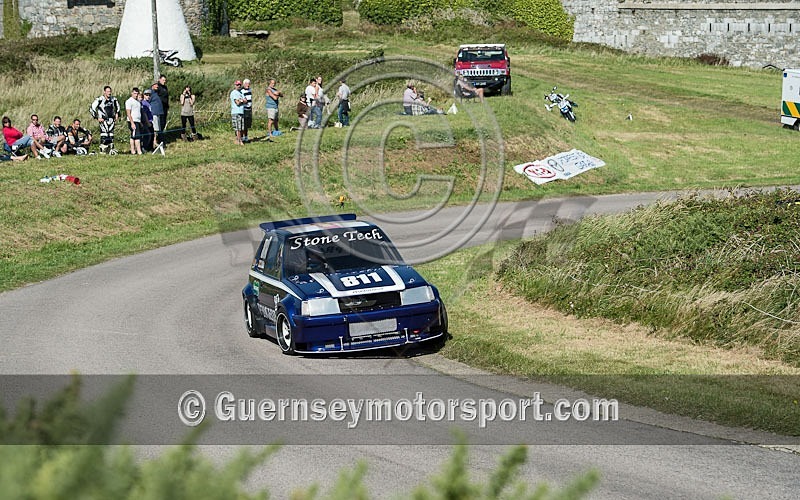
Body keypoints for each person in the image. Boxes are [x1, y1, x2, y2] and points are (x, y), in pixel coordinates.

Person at [89, 85, 120, 154]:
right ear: (104, 92)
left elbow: (117, 107)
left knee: (111, 135)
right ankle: (103, 151)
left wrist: (117, 114)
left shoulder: (113, 99)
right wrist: (97, 117)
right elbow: (92, 108)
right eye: (107, 91)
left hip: (111, 120)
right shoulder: (100, 99)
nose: (109, 93)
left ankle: (110, 150)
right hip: (103, 120)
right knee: (104, 135)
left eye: (110, 91)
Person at [125, 87, 143, 155]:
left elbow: (138, 112)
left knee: (135, 136)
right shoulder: (129, 101)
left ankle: (134, 150)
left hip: (137, 121)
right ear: (132, 93)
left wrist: (140, 122)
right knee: (136, 136)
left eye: (137, 93)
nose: (136, 95)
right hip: (132, 121)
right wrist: (132, 123)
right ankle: (137, 151)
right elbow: (128, 113)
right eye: (134, 93)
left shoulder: (138, 102)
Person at [148, 81, 165, 147]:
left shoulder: (156, 92)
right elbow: (148, 101)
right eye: (155, 85)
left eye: (157, 85)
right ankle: (154, 143)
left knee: (158, 129)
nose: (157, 86)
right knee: (155, 129)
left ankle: (157, 142)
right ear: (152, 85)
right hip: (154, 113)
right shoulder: (150, 92)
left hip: (158, 113)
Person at [230, 80, 247, 145]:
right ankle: (239, 141)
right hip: (236, 112)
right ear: (235, 85)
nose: (239, 86)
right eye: (237, 85)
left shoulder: (241, 93)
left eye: (240, 84)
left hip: (241, 111)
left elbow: (246, 101)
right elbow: (237, 102)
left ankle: (238, 139)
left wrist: (241, 100)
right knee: (238, 128)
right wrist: (242, 100)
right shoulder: (234, 93)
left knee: (241, 127)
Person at [241, 79, 253, 143]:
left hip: (249, 109)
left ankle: (246, 137)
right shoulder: (242, 91)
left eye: (249, 84)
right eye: (247, 84)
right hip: (244, 109)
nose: (248, 85)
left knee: (247, 124)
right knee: (243, 124)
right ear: (244, 84)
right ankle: (242, 137)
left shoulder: (250, 90)